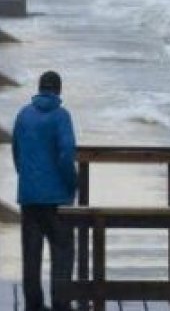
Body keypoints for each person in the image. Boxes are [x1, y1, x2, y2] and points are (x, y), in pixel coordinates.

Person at [12, 70, 78, 311]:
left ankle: (34, 304)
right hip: (57, 198)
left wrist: (28, 179)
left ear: (40, 88)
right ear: (59, 90)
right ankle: (61, 303)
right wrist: (72, 182)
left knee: (31, 254)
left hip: (29, 197)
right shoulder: (61, 116)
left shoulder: (22, 115)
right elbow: (66, 152)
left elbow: (17, 153)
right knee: (62, 251)